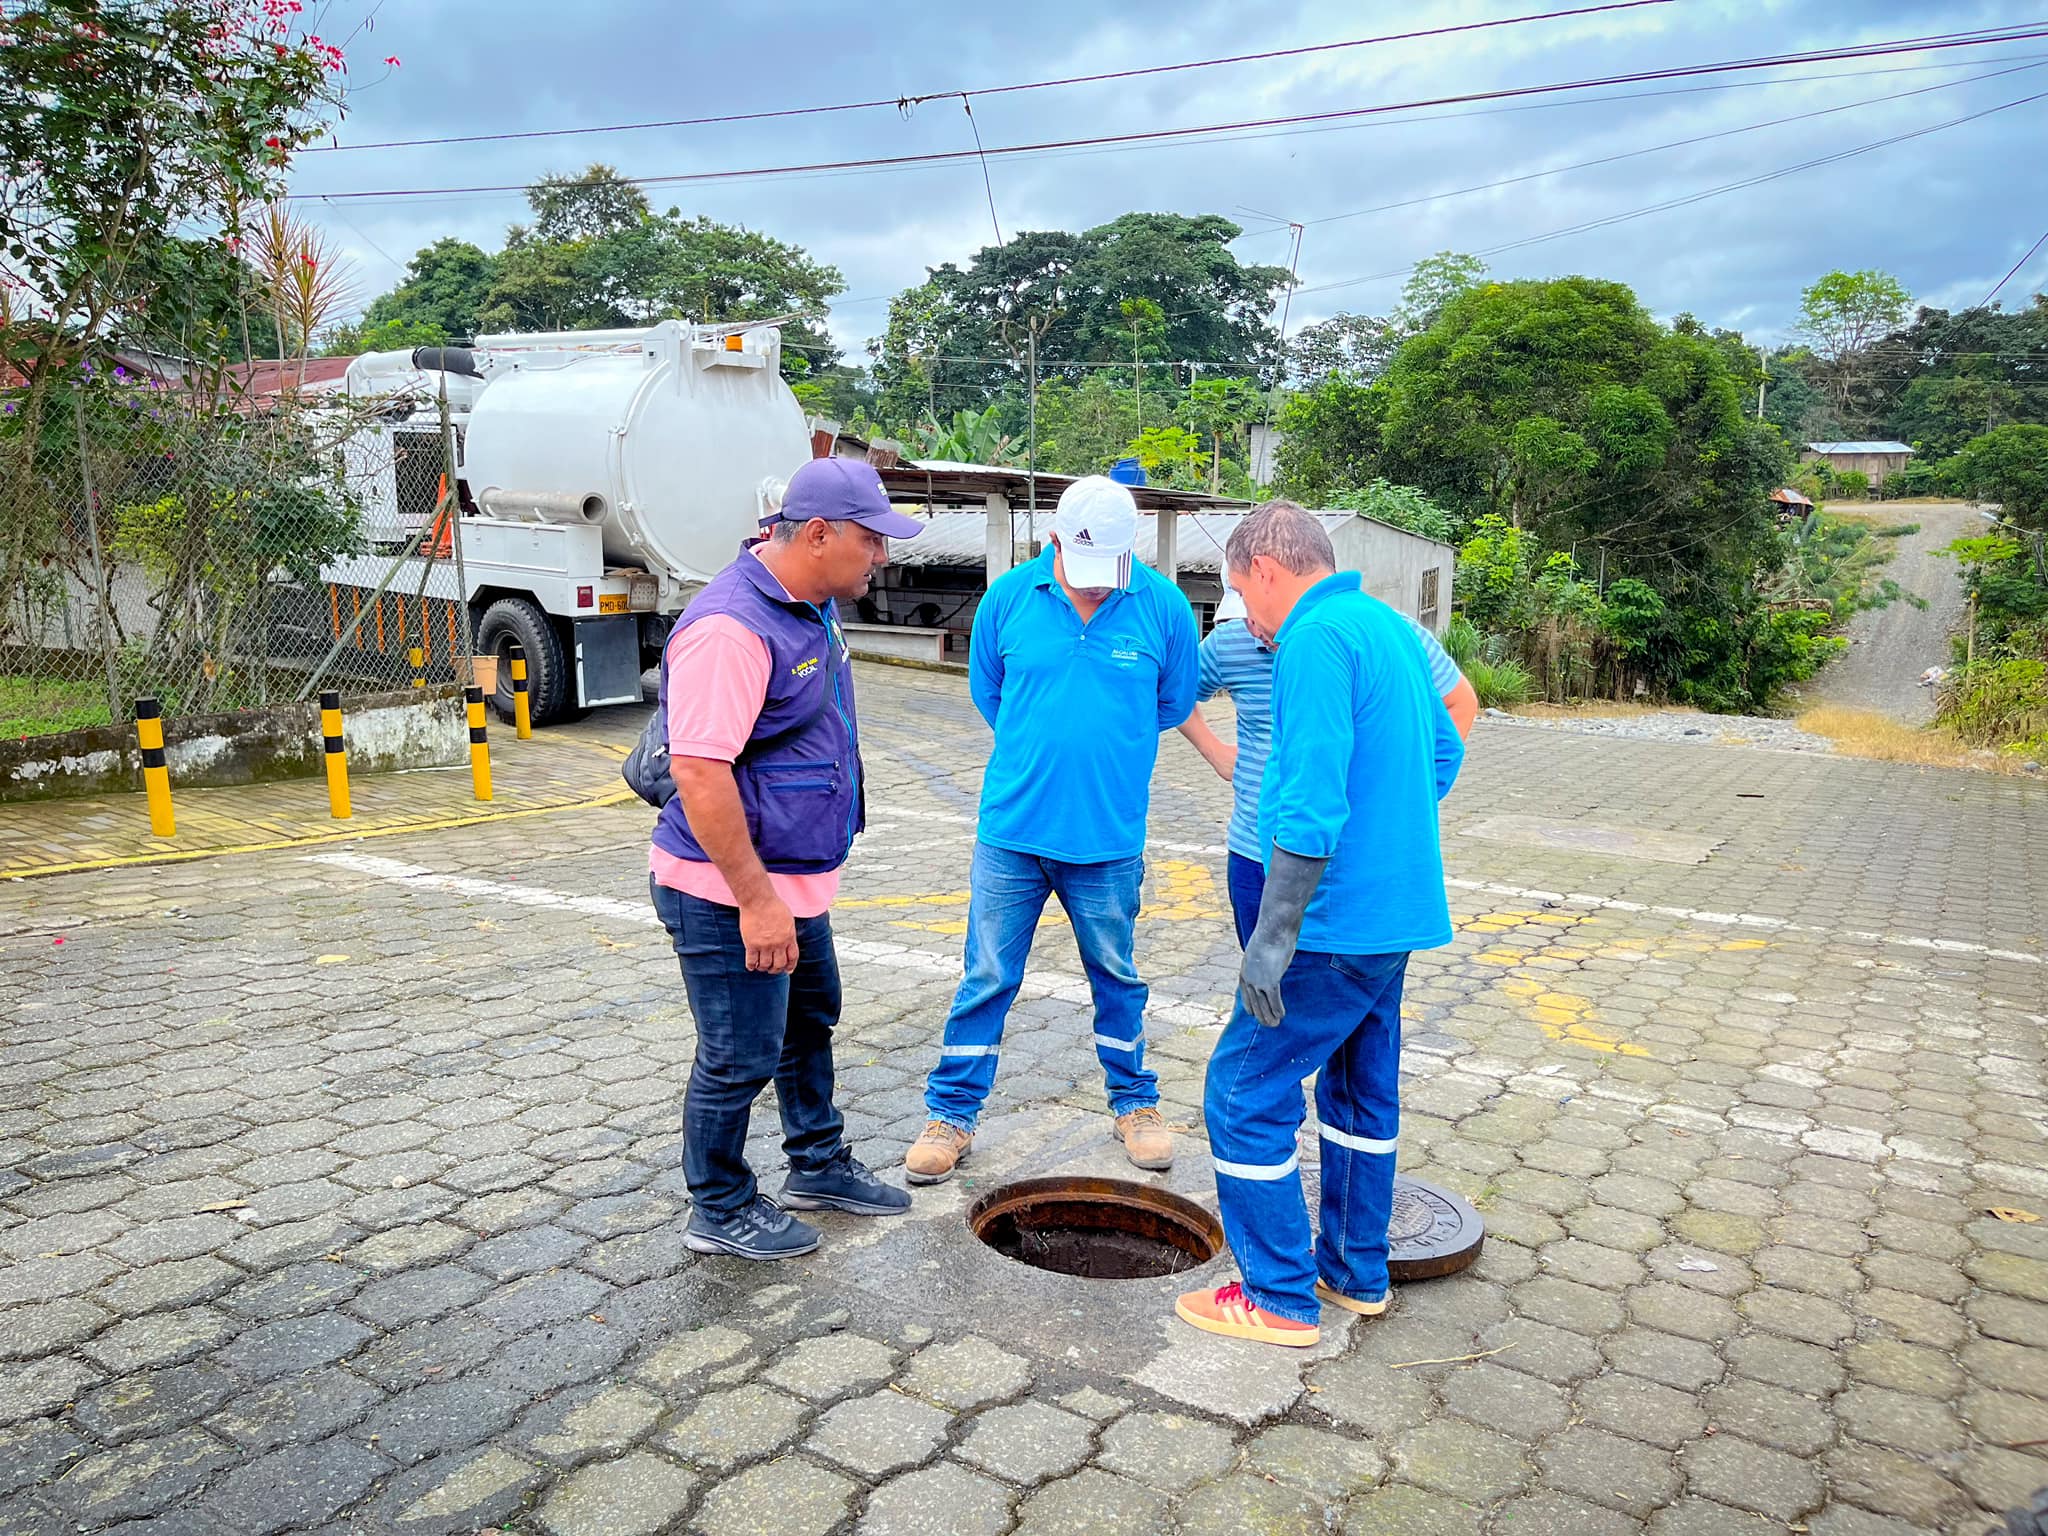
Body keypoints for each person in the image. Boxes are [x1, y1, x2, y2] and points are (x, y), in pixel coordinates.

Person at [1175, 501, 1464, 1347]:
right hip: (1394, 916)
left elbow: (1307, 800)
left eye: (1241, 592)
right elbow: (1444, 752)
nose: (1246, 617)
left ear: (1266, 569)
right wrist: (1385, 834)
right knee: (1358, 1090)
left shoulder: (1312, 638)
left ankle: (1277, 1296)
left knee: (1243, 1090)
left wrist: (1271, 937)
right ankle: (1354, 1272)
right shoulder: (1389, 627)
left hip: (1329, 925)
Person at [650, 456, 925, 1260]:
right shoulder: (730, 627)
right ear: (818, 535)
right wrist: (757, 902)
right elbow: (700, 772)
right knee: (740, 1054)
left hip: (792, 883)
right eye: (872, 541)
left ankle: (817, 1163)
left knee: (808, 1023)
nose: (882, 557)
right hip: (729, 890)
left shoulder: (809, 603)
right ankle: (720, 1204)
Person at [906, 475, 1200, 1184]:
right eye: (1083, 564)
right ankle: (952, 1114)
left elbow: (1170, 704)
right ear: (1053, 539)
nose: (1098, 583)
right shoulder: (1009, 597)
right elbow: (992, 694)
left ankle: (1135, 1103)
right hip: (1011, 833)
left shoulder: (1164, 607)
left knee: (1117, 976)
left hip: (1108, 840)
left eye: (1110, 568)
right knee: (987, 976)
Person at [1179, 584, 1477, 947]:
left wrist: (1401, 799)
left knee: (1329, 973)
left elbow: (1459, 704)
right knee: (1269, 975)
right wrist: (1215, 752)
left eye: (1252, 610)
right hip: (1254, 852)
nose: (1252, 627)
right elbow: (1176, 691)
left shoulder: (1388, 632)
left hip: (1352, 860)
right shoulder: (1230, 643)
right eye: (1242, 615)